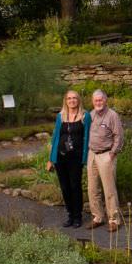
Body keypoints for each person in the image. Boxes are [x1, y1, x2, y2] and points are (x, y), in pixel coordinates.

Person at [47, 90, 91, 228]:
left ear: (78, 100)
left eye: (74, 98)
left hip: (76, 158)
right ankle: (70, 215)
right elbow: (55, 137)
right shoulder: (61, 116)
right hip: (61, 157)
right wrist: (51, 158)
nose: (72, 100)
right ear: (65, 101)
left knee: (75, 186)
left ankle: (78, 217)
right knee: (65, 187)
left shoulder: (85, 116)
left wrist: (85, 158)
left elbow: (87, 137)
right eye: (69, 98)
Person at [85, 89, 125, 232]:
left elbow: (119, 136)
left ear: (105, 100)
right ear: (92, 101)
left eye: (100, 100)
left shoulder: (112, 115)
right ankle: (97, 217)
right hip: (92, 155)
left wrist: (112, 154)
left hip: (106, 155)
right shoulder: (90, 114)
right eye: (96, 100)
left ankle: (114, 220)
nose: (98, 102)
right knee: (92, 189)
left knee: (109, 189)